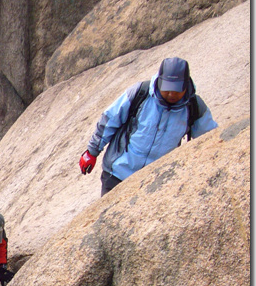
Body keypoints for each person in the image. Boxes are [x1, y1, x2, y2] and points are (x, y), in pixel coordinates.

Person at [80, 56, 217, 196]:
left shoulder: (193, 107)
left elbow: (210, 138)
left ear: (186, 85)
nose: (171, 94)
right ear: (159, 81)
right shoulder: (141, 93)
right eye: (167, 88)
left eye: (176, 90)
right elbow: (110, 119)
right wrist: (92, 151)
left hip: (156, 181)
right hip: (118, 174)